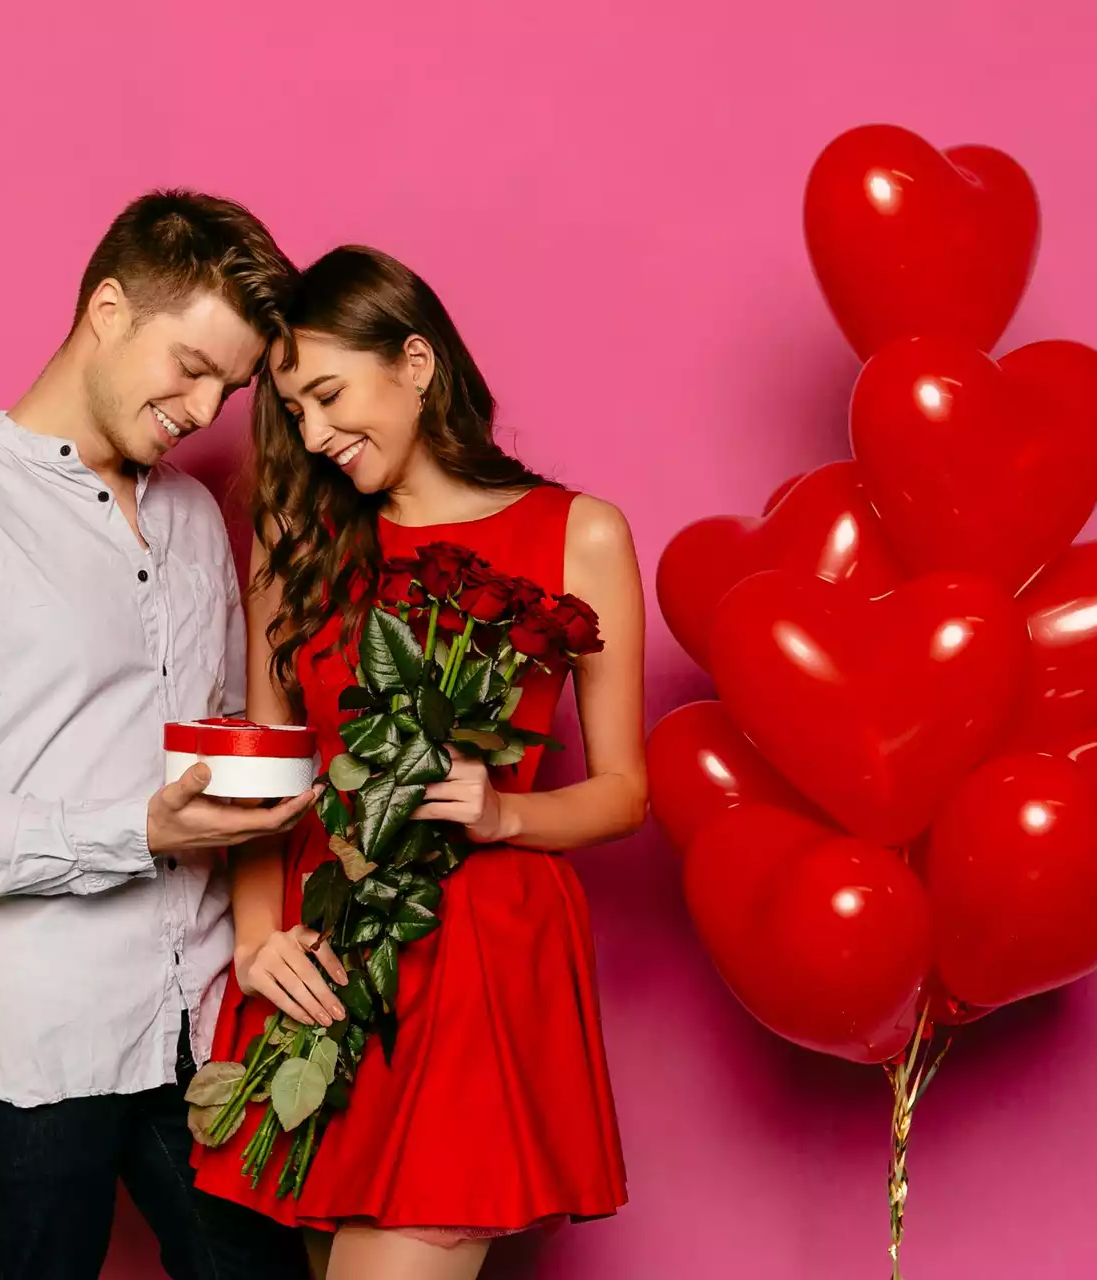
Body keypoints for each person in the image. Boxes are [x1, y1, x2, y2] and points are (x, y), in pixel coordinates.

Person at [0, 190, 316, 1280]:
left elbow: (212, 733)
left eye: (230, 386)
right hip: (35, 1041)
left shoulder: (193, 517)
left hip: (199, 1020)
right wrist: (136, 830)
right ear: (107, 309)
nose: (205, 408)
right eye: (191, 367)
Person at [191, 246, 647, 1280]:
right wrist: (257, 939)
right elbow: (271, 758)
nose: (314, 433)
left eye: (328, 395)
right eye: (293, 410)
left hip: (476, 959)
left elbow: (628, 792)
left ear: (415, 361)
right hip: (324, 958)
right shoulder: (298, 536)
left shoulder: (579, 534)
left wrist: (506, 814)